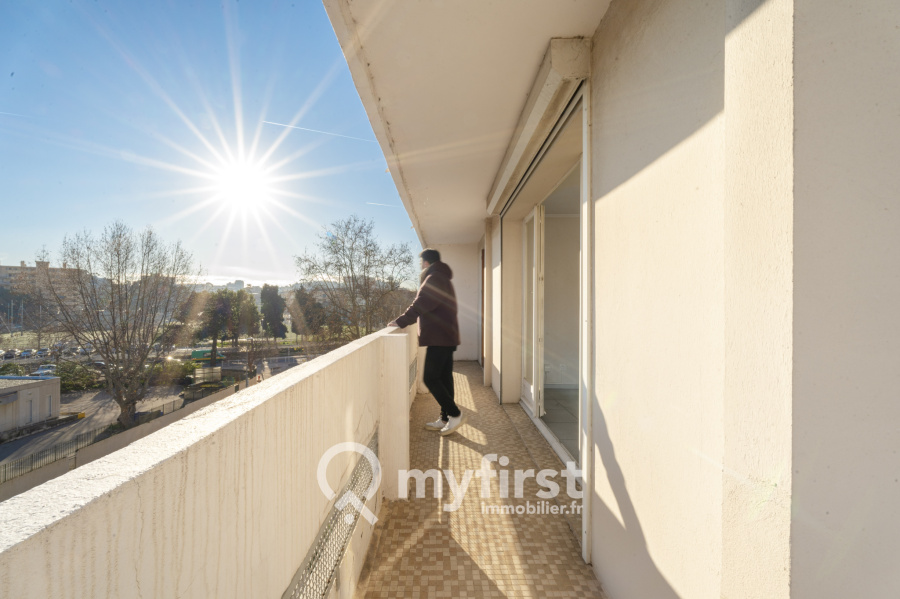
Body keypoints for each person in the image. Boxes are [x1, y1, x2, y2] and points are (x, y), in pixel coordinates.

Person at [389, 248, 466, 436]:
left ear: (425, 262)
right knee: (444, 379)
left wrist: (400, 321)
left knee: (430, 378)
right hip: (445, 336)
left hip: (439, 337)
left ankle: (455, 414)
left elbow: (421, 303)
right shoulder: (442, 277)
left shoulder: (435, 278)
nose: (420, 265)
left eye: (420, 262)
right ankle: (446, 418)